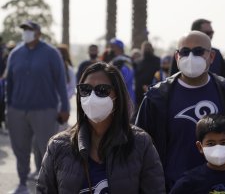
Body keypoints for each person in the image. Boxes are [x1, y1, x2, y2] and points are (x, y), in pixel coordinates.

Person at [135, 31, 225, 191]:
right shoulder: (156, 97)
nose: (191, 57)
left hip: (218, 188)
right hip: (171, 187)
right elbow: (140, 144)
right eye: (185, 52)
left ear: (211, 57)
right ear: (177, 57)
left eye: (198, 51)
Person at [36, 62, 165, 193]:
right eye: (85, 89)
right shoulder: (58, 146)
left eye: (102, 90)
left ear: (117, 95)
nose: (92, 97)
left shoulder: (140, 144)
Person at [6, 20, 70, 194]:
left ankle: (49, 187)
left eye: (29, 29)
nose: (26, 32)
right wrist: (8, 107)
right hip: (17, 110)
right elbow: (9, 82)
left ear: (38, 33)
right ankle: (21, 183)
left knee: (47, 150)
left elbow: (61, 83)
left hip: (45, 110)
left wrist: (65, 107)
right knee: (20, 149)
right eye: (24, 29)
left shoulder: (51, 53)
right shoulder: (16, 53)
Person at [109, 38, 136, 105]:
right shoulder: (113, 61)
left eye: (113, 47)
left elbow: (125, 78)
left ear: (119, 48)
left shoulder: (125, 61)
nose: (111, 49)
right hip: (116, 96)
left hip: (125, 96)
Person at [134, 41, 161, 106]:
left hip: (154, 90)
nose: (146, 49)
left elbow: (160, 75)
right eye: (145, 48)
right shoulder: (137, 62)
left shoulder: (158, 61)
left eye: (148, 48)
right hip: (140, 93)